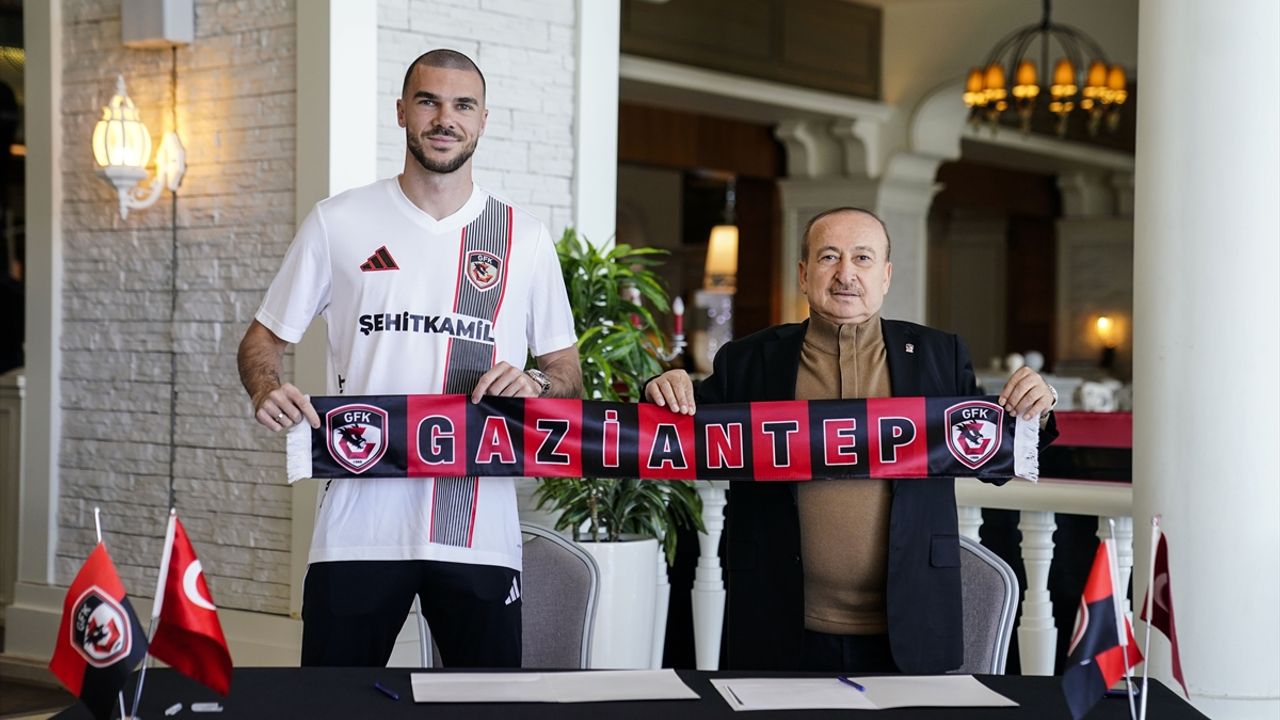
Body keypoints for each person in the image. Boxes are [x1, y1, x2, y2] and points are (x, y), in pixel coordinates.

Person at [238, 49, 582, 668]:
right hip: (357, 526)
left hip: (476, 528)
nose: (445, 118)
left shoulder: (523, 238)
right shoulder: (339, 221)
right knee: (332, 703)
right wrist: (266, 387)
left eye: (463, 105)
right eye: (429, 101)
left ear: (482, 121)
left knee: (487, 705)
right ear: (401, 112)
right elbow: (262, 340)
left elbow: (567, 375)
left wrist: (535, 381)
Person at [644, 207, 1058, 674]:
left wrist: (1038, 406)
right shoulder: (748, 360)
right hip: (778, 621)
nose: (846, 274)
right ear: (804, 274)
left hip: (913, 623)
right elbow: (674, 429)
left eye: (862, 258)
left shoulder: (939, 355)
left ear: (886, 275)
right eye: (829, 257)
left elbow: (996, 457)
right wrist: (661, 388)